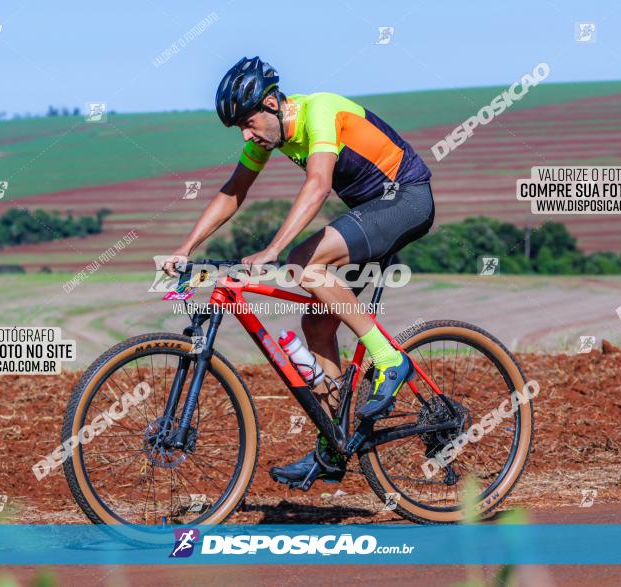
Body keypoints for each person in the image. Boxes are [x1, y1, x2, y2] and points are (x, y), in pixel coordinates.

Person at [161, 56, 435, 487]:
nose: (248, 136)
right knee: (318, 325)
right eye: (241, 131)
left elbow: (319, 184)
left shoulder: (320, 110)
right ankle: (334, 445)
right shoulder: (266, 136)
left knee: (303, 264)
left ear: (272, 103)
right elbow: (234, 191)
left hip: (407, 200)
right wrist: (186, 247)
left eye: (249, 123)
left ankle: (389, 360)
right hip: (370, 212)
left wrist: (273, 249)